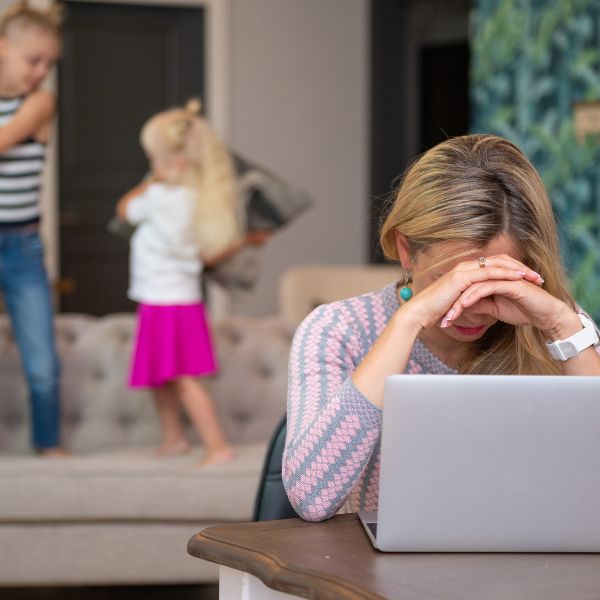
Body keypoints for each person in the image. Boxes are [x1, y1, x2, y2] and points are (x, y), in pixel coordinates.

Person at [282, 134, 600, 522]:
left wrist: (562, 325)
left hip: (532, 566)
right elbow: (311, 497)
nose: (470, 311)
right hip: (381, 574)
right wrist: (409, 321)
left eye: (493, 287)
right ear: (406, 250)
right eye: (450, 284)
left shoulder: (562, 330)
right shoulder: (339, 330)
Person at [116, 100, 265, 465]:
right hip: (178, 299)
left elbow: (123, 210)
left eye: (152, 160)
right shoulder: (201, 203)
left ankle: (217, 446)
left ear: (171, 163)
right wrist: (243, 242)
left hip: (163, 302)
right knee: (161, 375)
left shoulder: (156, 197)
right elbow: (204, 258)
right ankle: (175, 438)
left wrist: (152, 181)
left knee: (180, 377)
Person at [0, 1, 64, 456]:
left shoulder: (40, 103)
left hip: (22, 245)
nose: (41, 72)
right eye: (33, 60)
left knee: (41, 361)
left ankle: (49, 446)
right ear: (3, 48)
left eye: (49, 63)